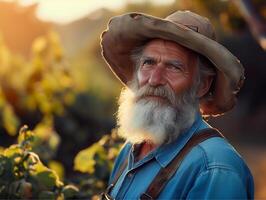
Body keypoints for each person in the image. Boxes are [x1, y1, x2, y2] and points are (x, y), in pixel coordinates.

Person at [100, 10, 254, 199]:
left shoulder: (216, 168)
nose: (154, 79)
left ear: (202, 85)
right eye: (148, 63)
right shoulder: (129, 151)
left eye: (174, 67)